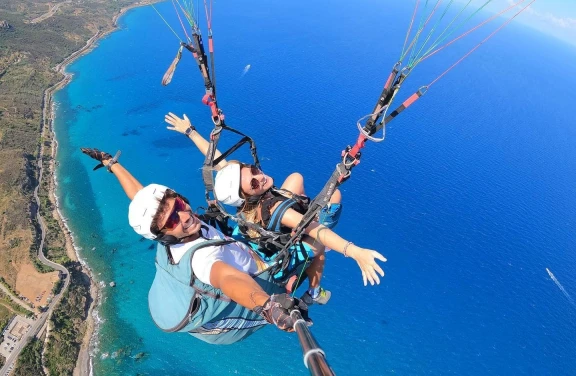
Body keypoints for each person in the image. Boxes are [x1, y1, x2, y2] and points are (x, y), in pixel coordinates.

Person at [80, 147, 311, 345]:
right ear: (164, 236)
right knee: (315, 241)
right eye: (172, 220)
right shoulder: (201, 260)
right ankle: (312, 292)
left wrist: (112, 164)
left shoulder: (172, 230)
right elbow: (227, 279)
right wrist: (268, 307)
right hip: (262, 282)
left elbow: (138, 194)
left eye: (179, 204)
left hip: (246, 251)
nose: (184, 216)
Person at [164, 113, 387, 304]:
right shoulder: (275, 207)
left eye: (252, 170)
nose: (259, 176)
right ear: (247, 195)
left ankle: (299, 238)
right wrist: (355, 252)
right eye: (253, 183)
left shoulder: (244, 198)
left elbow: (217, 162)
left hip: (260, 235)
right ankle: (314, 292)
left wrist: (190, 131)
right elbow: (314, 229)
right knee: (327, 219)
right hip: (282, 250)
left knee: (295, 178)